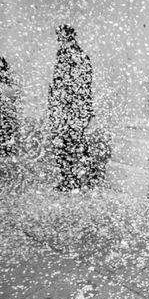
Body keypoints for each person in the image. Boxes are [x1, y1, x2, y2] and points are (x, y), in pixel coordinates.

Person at [48, 24, 93, 191]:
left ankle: (76, 179)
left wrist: (62, 100)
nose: (59, 40)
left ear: (68, 37)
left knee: (71, 144)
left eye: (61, 37)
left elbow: (74, 84)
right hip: (71, 108)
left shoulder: (72, 56)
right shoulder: (71, 55)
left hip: (72, 109)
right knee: (72, 144)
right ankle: (76, 179)